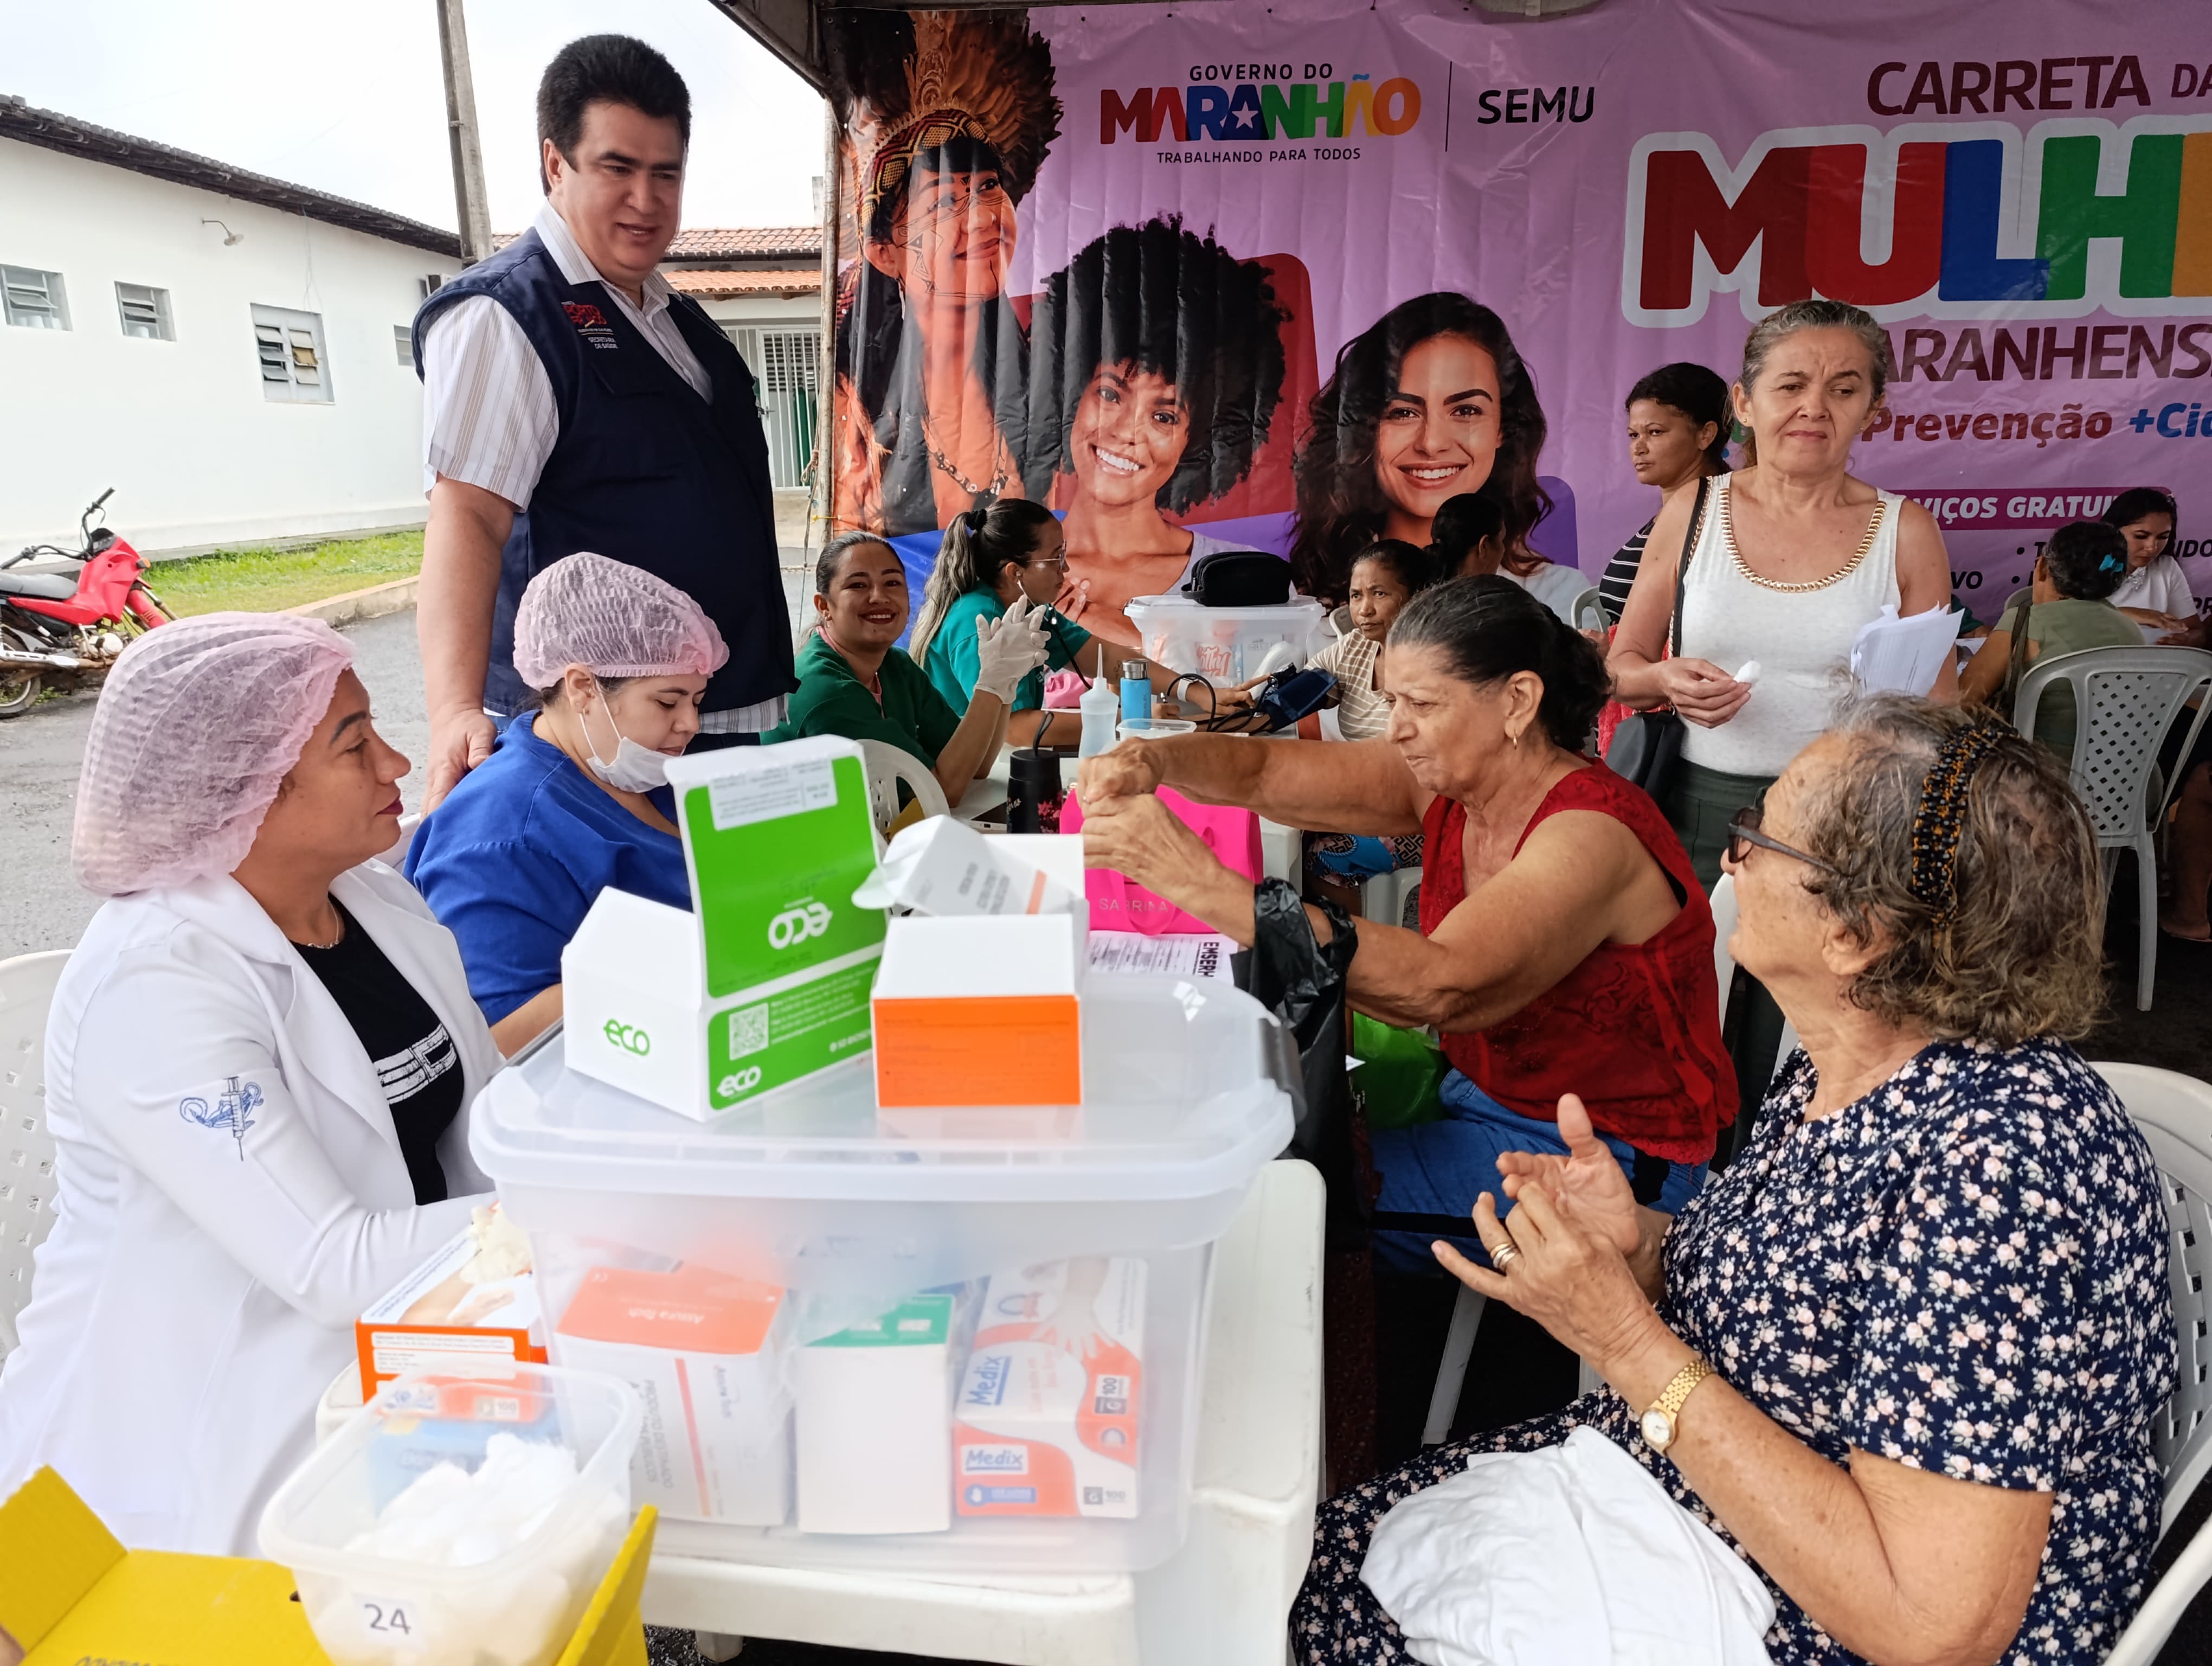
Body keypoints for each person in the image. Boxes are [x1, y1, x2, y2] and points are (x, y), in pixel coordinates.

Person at [1293, 699, 2174, 1666]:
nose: (1731, 856)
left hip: (1806, 1619)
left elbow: (1930, 1628)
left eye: (1760, 834)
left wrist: (1621, 1338)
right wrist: (1637, 1243)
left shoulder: (2004, 1171)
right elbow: (1800, 1305)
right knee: (1301, 1559)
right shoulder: (1848, 1056)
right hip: (1699, 1512)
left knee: (1303, 1610)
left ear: (1856, 933)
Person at [0, 616, 501, 1554]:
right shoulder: (156, 984)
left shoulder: (371, 899)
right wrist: (580, 1213)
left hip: (406, 1361)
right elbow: (332, 1266)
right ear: (244, 791)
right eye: (356, 745)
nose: (398, 763)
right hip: (196, 1457)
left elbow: (491, 1124)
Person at [1079, 576, 1736, 1275]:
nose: (1396, 726)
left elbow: (1440, 986)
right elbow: (1266, 769)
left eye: (1421, 704)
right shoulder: (1454, 782)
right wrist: (1156, 756)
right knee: (1222, 1112)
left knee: (1260, 1195)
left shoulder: (1588, 833)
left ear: (1518, 701)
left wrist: (1194, 881)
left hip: (1605, 1158)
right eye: (1394, 700)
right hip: (1485, 1096)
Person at [411, 36, 790, 810]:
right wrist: (453, 710)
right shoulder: (507, 315)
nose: (645, 201)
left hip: (709, 717)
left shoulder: (676, 317)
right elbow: (469, 517)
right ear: (557, 165)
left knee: (726, 927)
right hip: (604, 744)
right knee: (621, 926)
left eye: (666, 174)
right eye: (618, 168)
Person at [1609, 298, 1959, 891]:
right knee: (1696, 980)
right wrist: (1664, 680)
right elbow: (1621, 669)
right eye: (1790, 385)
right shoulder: (1693, 513)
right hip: (1698, 807)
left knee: (1816, 986)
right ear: (1744, 402)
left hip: (1847, 819)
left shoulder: (1908, 531)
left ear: (1873, 410)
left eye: (1844, 391)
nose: (1813, 408)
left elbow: (1939, 710)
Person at [404, 554, 726, 1041]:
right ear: (582, 688)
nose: (690, 725)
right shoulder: (501, 837)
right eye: (667, 701)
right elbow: (500, 1035)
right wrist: (701, 969)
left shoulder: (633, 768)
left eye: (697, 702)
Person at [824, 10, 1057, 536]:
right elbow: (849, 560)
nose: (981, 219)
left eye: (989, 188)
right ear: (885, 253)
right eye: (945, 202)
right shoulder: (855, 402)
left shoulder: (1045, 380)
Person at [1025, 216, 1290, 644]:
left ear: (1198, 438)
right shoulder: (1010, 573)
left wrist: (1124, 634)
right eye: (1111, 394)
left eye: (1164, 416)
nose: (1128, 432)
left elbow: (1267, 700)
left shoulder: (1242, 575)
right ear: (1069, 393)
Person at [1288, 293, 1549, 607]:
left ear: (1503, 428)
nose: (1432, 443)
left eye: (1466, 411)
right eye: (1402, 412)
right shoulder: (1302, 599)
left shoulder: (1554, 596)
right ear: (1363, 430)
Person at [767, 531, 1050, 805]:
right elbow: (941, 790)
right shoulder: (826, 691)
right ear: (824, 606)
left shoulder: (895, 666)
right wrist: (991, 682)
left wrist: (1006, 685)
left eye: (892, 583)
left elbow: (977, 765)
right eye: (858, 585)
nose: (879, 597)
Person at [1298, 540, 1435, 900]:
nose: (1365, 610)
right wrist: (1228, 707)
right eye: (1356, 595)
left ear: (1415, 596)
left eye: (1379, 594)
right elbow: (1296, 692)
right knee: (1296, 828)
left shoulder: (1439, 661)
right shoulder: (1356, 647)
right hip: (1373, 799)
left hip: (1425, 813)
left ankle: (1360, 952)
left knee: (1324, 856)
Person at [910, 499, 1103, 745]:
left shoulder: (1027, 607)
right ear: (1015, 573)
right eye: (1056, 557)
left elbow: (1102, 658)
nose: (1064, 567)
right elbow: (1018, 729)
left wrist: (1170, 685)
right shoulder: (979, 621)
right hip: (965, 772)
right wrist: (1125, 720)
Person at [1959, 518, 2140, 758]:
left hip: (2037, 775)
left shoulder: (2026, 622)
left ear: (2042, 567)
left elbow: (1962, 700)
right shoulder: (2131, 630)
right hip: (2125, 777)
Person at [1599, 362, 1733, 626]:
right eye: (1633, 434)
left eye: (1655, 432)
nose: (1639, 447)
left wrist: (1615, 646)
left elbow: (1707, 623)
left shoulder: (1720, 519)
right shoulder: (1676, 512)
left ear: (1705, 435)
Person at [1427, 491, 1584, 623]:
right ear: (1484, 546)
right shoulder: (1503, 607)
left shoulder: (1420, 601)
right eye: (1501, 540)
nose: (1503, 549)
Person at [2101, 486, 2197, 637]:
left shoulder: (2166, 567)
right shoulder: (2079, 563)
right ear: (2113, 530)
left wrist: (2186, 640)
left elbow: (2194, 630)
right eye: (2141, 536)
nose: (2152, 548)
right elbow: (2061, 619)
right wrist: (2133, 615)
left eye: (2163, 537)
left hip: (2154, 659)